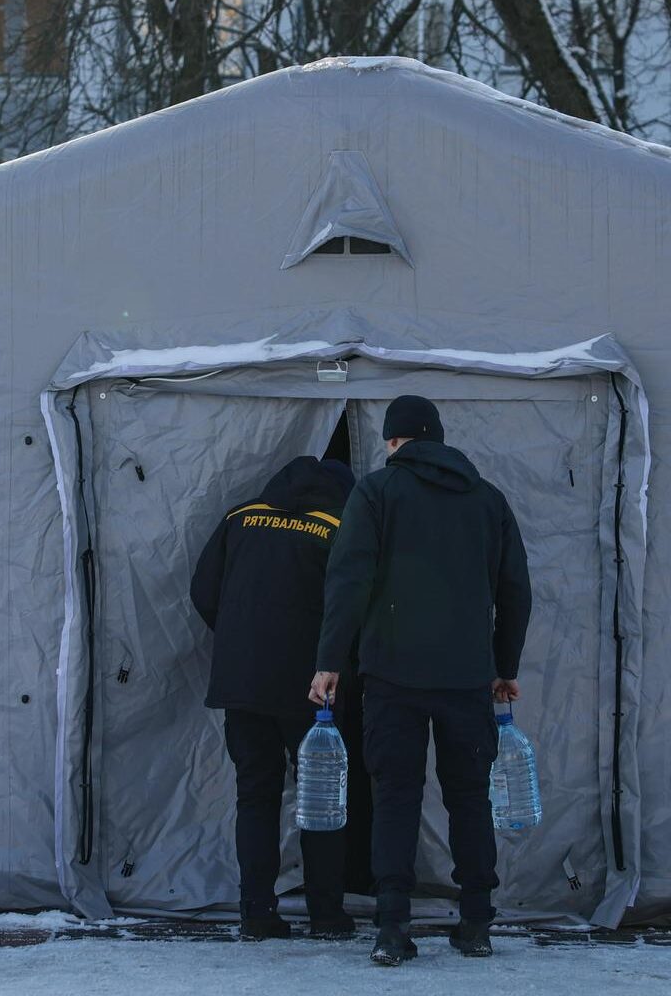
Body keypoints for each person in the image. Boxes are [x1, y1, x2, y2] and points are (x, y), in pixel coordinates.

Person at [310, 395, 530, 966]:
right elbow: (515, 592)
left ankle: (391, 927)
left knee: (396, 798)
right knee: (469, 798)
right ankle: (477, 921)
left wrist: (329, 660)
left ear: (392, 441)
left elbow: (349, 579)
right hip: (467, 677)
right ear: (438, 438)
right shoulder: (488, 499)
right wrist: (504, 668)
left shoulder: (377, 492)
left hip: (392, 675)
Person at [191, 455, 359, 939]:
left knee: (256, 796)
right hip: (312, 690)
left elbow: (203, 590)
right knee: (321, 797)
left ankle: (257, 912)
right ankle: (326, 914)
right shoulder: (335, 528)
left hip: (242, 684)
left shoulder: (241, 517)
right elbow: (350, 607)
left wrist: (238, 640)